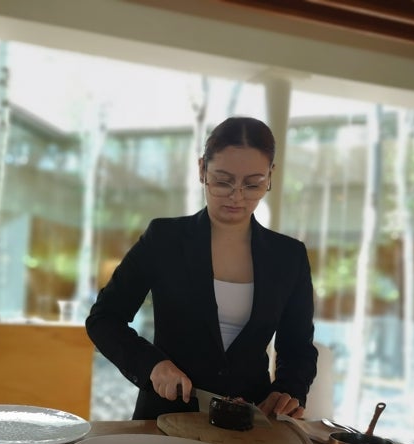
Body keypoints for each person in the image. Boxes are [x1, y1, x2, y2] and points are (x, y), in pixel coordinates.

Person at [86, 116, 318, 420]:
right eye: (223, 181)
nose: (237, 196)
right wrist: (153, 365)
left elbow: (298, 347)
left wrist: (288, 390)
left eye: (253, 184)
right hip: (166, 419)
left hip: (251, 426)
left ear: (270, 177)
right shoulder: (164, 239)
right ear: (201, 169)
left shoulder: (289, 256)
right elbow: (104, 319)